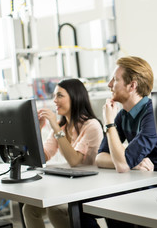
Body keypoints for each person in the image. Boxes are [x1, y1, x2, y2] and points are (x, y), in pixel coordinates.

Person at [22, 78, 103, 228]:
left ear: (75, 97)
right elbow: (42, 157)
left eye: (60, 95)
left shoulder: (91, 125)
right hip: (71, 185)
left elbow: (74, 160)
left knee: (55, 210)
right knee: (29, 209)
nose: (54, 100)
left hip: (90, 187)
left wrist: (55, 127)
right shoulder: (62, 126)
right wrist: (37, 129)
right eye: (54, 96)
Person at [96, 56, 157, 172]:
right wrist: (132, 163)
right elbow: (100, 158)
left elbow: (123, 165)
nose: (109, 84)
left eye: (115, 80)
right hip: (142, 179)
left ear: (132, 86)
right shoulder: (123, 115)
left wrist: (109, 123)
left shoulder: (154, 114)